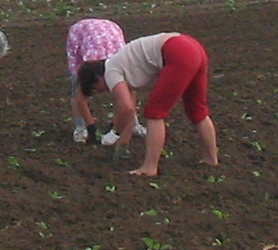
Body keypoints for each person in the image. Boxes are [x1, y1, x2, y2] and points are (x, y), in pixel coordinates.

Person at [85, 32, 218, 178]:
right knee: (197, 110)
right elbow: (129, 106)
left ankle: (149, 167)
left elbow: (127, 107)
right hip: (192, 46)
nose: (102, 92)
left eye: (96, 89)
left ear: (98, 79)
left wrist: (114, 133)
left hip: (178, 51)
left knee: (154, 112)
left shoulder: (110, 71)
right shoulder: (120, 61)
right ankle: (211, 158)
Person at [66, 18, 126, 142]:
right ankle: (80, 128)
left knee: (124, 92)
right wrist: (91, 126)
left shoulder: (122, 64)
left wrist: (116, 124)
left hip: (111, 29)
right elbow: (80, 96)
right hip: (80, 33)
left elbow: (129, 95)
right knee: (76, 82)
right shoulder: (88, 68)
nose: (101, 92)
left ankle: (132, 124)